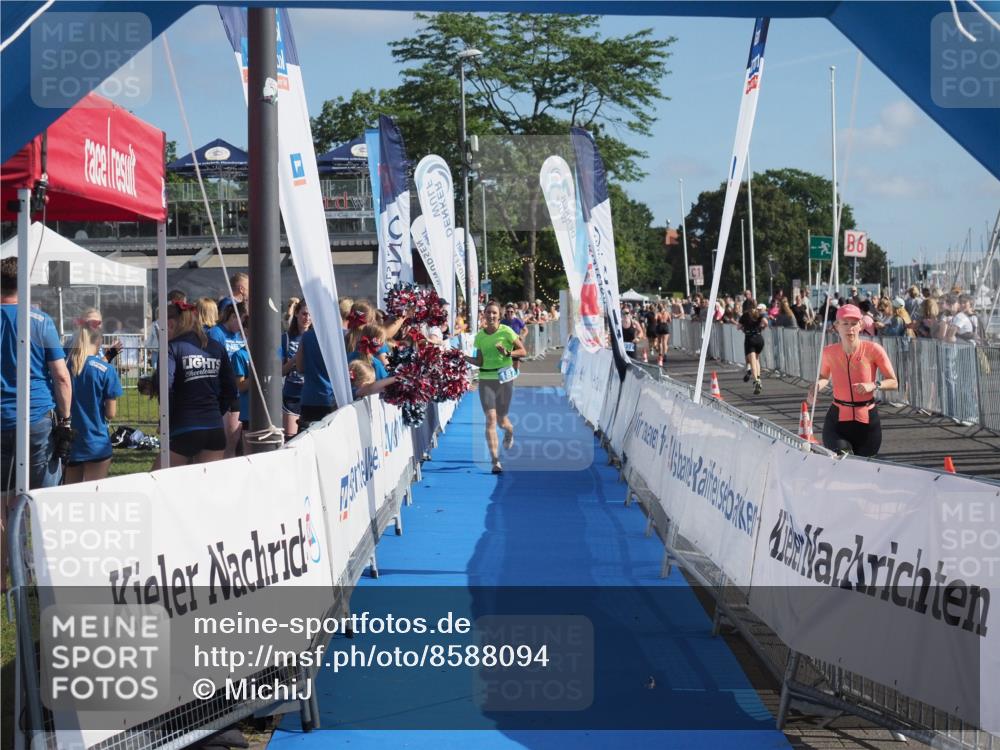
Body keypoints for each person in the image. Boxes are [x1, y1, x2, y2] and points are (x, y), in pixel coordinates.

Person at [1, 257, 73, 494]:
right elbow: (61, 376)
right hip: (36, 416)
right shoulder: (41, 321)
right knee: (45, 497)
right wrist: (65, 419)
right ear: (24, 284)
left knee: (3, 497)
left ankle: (10, 532)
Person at [148, 300, 237, 467]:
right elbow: (231, 390)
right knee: (205, 488)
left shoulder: (171, 348)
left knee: (158, 481)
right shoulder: (216, 347)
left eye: (160, 326)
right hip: (214, 429)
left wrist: (166, 420)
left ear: (170, 324)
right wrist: (216, 412)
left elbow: (165, 388)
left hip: (185, 427)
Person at [807, 304, 898, 457]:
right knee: (843, 461)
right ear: (837, 326)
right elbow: (823, 377)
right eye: (845, 323)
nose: (850, 328)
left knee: (864, 469)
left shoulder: (873, 349)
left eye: (854, 323)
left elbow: (893, 382)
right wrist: (816, 387)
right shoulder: (829, 352)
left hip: (867, 421)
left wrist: (873, 385)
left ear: (861, 325)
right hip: (838, 421)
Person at [467, 300, 526, 474]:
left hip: (504, 378)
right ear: (484, 315)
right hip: (485, 378)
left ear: (499, 316)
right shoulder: (480, 336)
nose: (491, 315)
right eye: (488, 312)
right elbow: (479, 361)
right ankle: (495, 461)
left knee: (502, 420)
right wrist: (464, 358)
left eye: (494, 313)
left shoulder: (506, 331)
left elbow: (523, 351)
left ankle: (509, 430)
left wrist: (508, 353)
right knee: (490, 418)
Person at [64, 311, 122, 483]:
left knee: (69, 492)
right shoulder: (106, 370)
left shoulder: (65, 367)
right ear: (98, 343)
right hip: (96, 440)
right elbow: (110, 413)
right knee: (94, 494)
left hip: (69, 439)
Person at [296, 325, 336, 430]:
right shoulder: (341, 336)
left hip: (310, 398)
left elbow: (299, 368)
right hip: (332, 398)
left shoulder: (307, 336)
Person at [281, 300, 310, 438]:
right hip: (291, 395)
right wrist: (295, 359)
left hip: (311, 395)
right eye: (304, 314)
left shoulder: (316, 338)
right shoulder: (286, 338)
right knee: (290, 439)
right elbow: (280, 371)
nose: (307, 318)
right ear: (297, 313)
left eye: (310, 315)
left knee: (307, 438)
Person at [738, 301, 767, 394]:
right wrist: (762, 327)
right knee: (757, 359)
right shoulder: (759, 314)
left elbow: (738, 327)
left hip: (750, 339)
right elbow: (765, 322)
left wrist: (744, 329)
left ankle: (756, 382)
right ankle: (758, 378)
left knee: (753, 362)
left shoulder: (745, 315)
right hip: (759, 338)